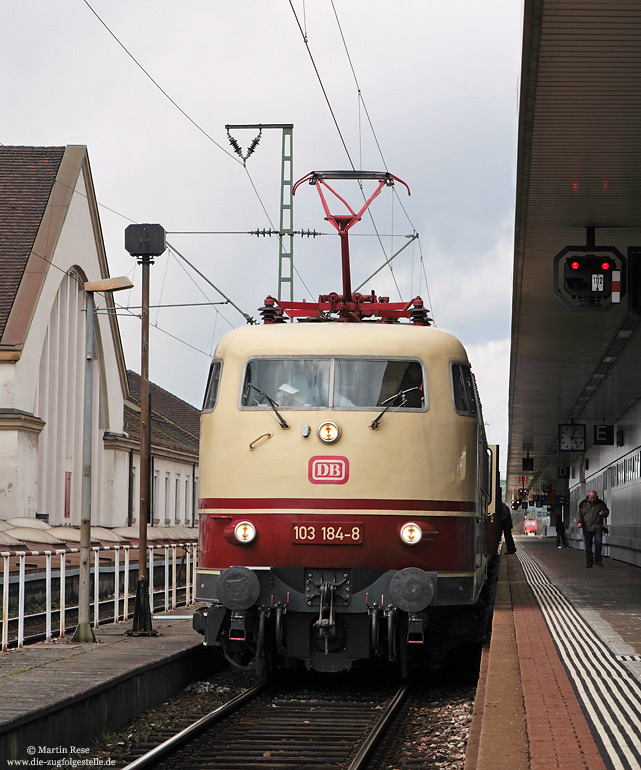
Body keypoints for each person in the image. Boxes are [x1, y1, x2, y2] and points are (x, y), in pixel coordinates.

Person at [576, 490, 609, 567]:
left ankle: (597, 560)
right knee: (588, 546)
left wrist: (603, 513)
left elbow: (606, 511)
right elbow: (579, 514)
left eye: (594, 498)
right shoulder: (583, 503)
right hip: (587, 527)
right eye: (591, 498)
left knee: (598, 544)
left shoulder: (600, 503)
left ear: (596, 497)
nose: (592, 499)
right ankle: (589, 562)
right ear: (589, 496)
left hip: (597, 527)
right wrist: (579, 522)